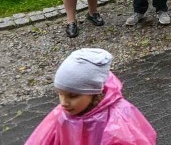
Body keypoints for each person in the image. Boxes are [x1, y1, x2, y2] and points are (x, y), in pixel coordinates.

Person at [26, 49, 157, 145]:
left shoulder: (118, 119)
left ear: (94, 94)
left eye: (73, 95)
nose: (64, 103)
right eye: (60, 93)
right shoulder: (63, 114)